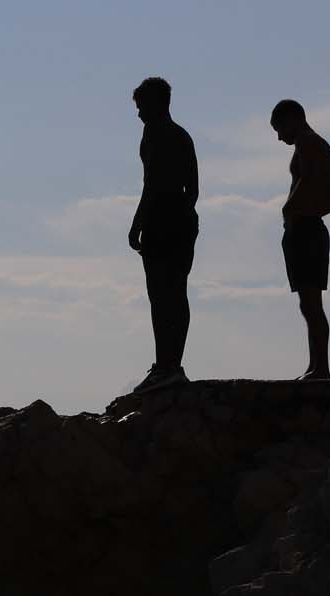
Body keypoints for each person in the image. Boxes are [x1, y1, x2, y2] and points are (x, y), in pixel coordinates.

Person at [128, 76, 199, 393]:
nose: (139, 113)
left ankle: (165, 366)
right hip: (181, 219)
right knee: (174, 292)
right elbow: (194, 189)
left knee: (161, 294)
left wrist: (138, 223)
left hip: (164, 219)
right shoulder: (183, 136)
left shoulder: (157, 134)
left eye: (141, 106)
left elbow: (152, 183)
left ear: (156, 104)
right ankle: (171, 364)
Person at [272, 99, 330, 379]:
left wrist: (293, 209)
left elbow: (320, 185)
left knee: (312, 303)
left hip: (307, 231)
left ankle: (321, 367)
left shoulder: (310, 143)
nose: (279, 137)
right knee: (308, 303)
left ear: (292, 119)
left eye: (280, 128)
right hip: (304, 228)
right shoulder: (310, 145)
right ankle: (316, 365)